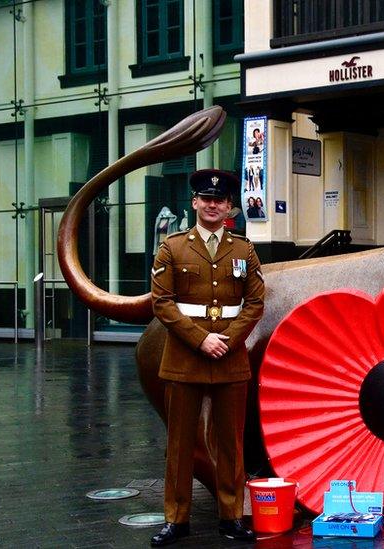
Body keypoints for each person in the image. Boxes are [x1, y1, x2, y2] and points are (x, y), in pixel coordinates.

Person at [149, 168, 265, 546]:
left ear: (230, 206)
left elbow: (255, 302)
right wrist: (202, 341)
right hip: (185, 359)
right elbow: (162, 303)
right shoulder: (172, 247)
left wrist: (227, 341)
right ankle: (176, 519)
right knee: (181, 443)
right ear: (195, 202)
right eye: (206, 199)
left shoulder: (243, 249)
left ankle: (231, 516)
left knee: (231, 443)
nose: (213, 205)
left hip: (230, 359)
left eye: (220, 200)